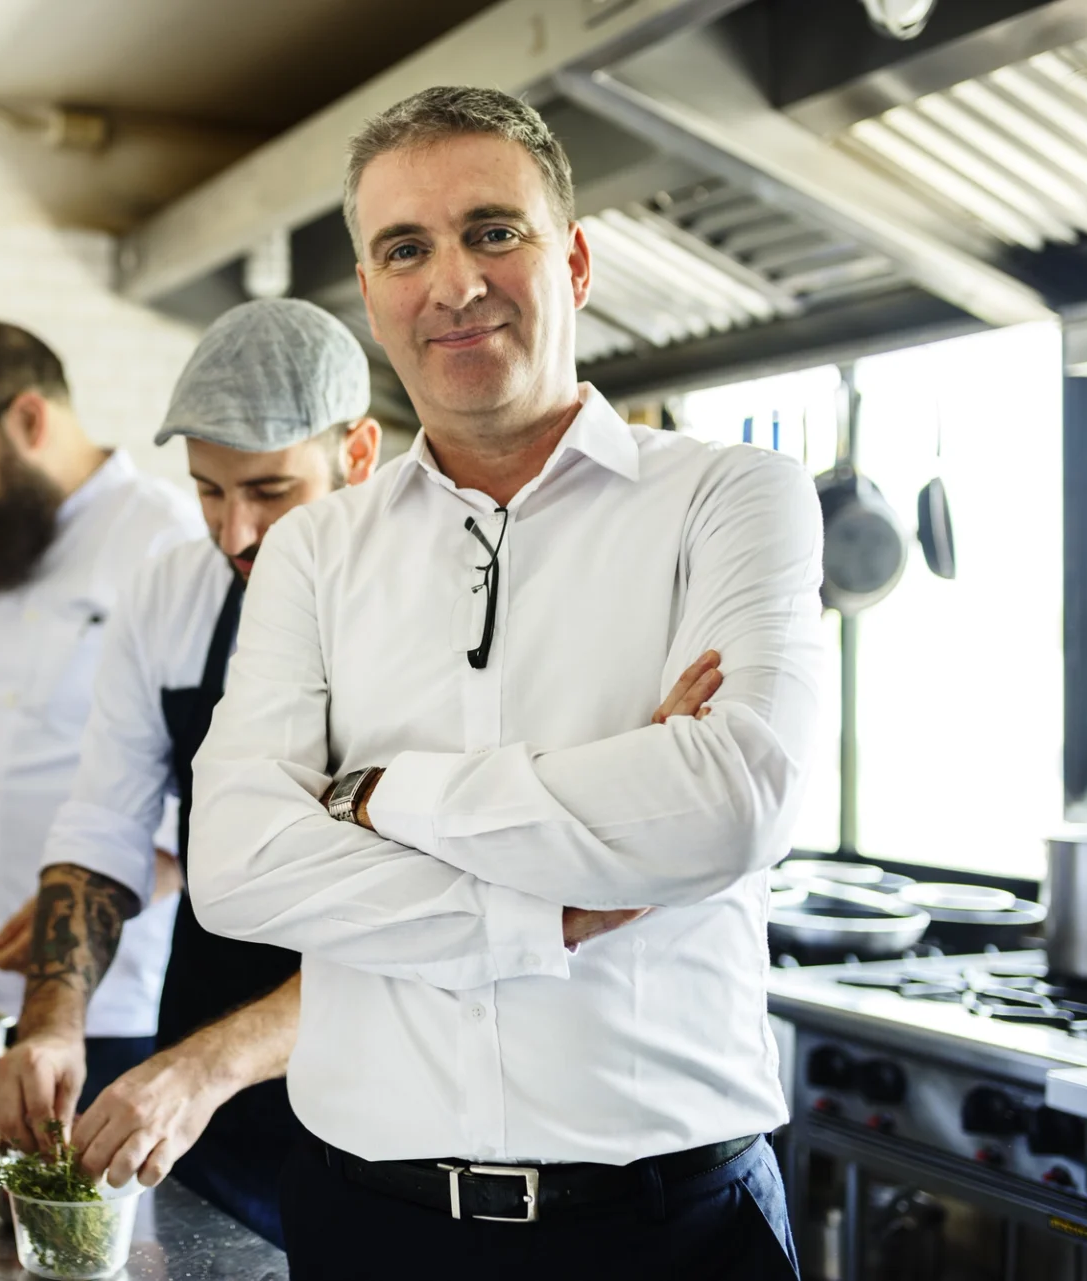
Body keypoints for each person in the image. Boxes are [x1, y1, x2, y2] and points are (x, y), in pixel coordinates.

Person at [188, 86, 822, 1280]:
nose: (454, 281)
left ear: (573, 260)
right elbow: (235, 864)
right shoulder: (318, 550)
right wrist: (552, 908)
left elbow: (733, 802)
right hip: (367, 1226)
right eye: (404, 249)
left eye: (494, 230)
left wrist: (377, 797)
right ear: (372, 296)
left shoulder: (731, 498)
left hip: (673, 1232)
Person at [0, 299, 382, 1246]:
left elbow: (428, 919)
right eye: (208, 490)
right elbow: (104, 825)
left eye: (272, 491)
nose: (235, 530)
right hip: (203, 1089)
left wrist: (211, 1065)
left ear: (358, 456)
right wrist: (51, 1018)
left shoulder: (430, 603)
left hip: (380, 1099)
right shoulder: (172, 590)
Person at [0, 318, 201, 1107]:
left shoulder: (166, 540)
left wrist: (75, 914)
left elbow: (208, 779)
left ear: (28, 419)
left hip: (106, 1005)